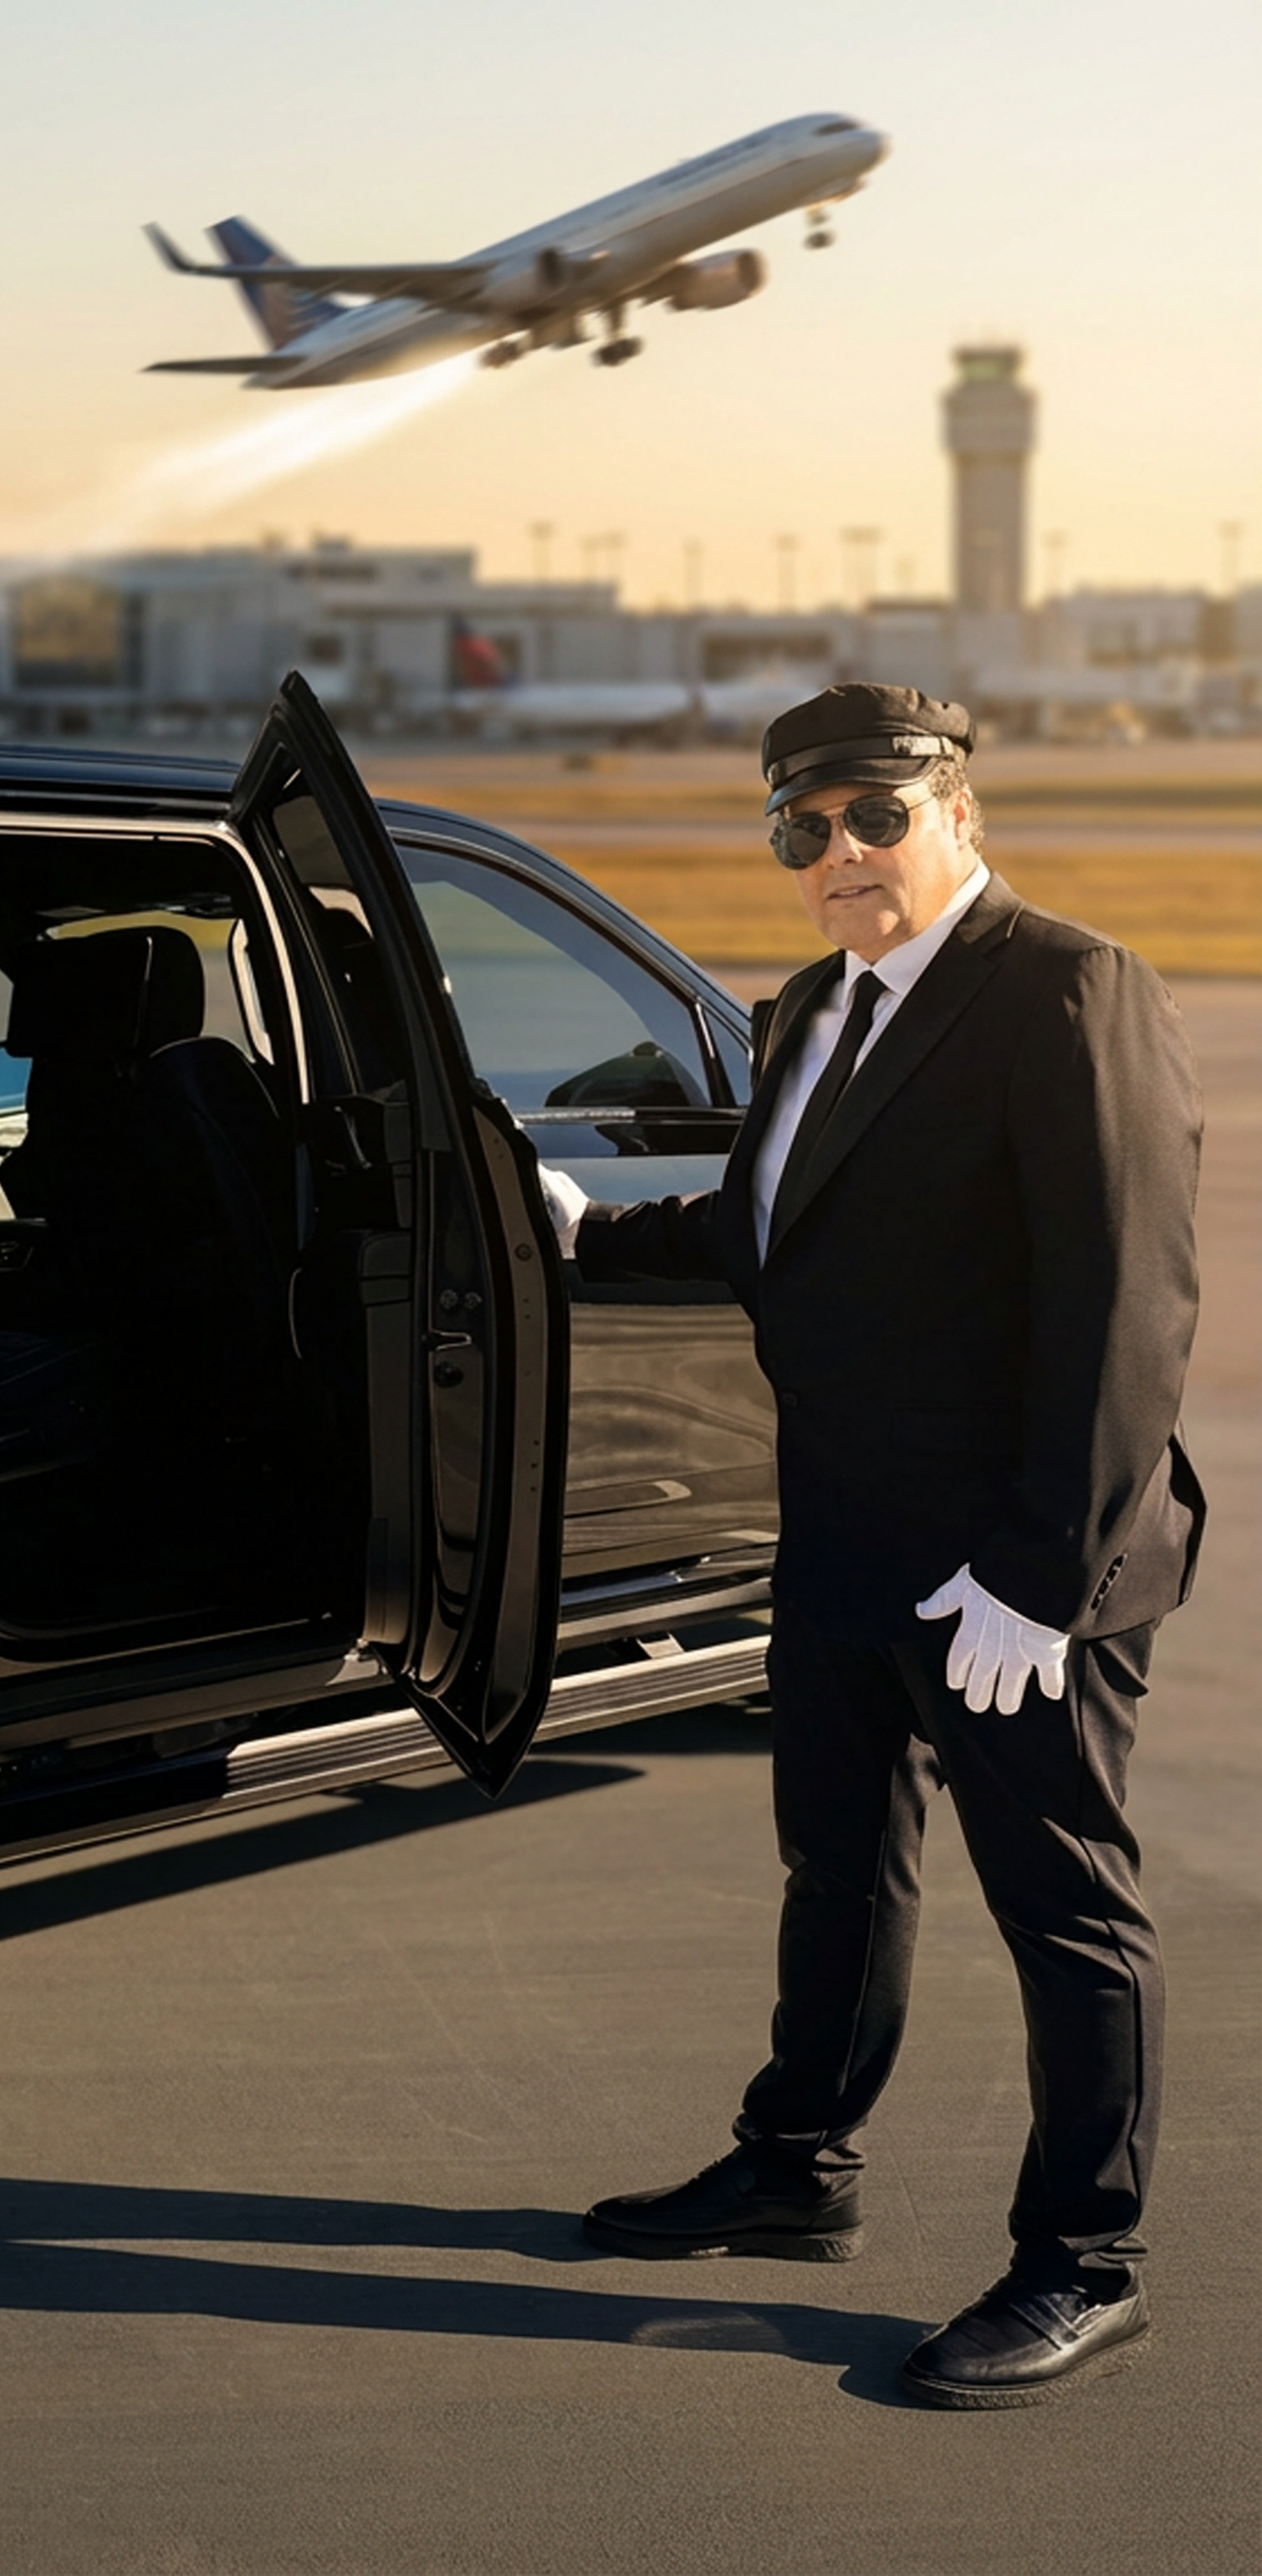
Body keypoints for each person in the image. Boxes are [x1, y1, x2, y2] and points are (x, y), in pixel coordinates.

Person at [539, 683, 1204, 2410]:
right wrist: (587, 1236)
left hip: (1008, 1569)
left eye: (871, 818)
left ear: (955, 812)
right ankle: (794, 2169)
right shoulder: (811, 1009)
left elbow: (1126, 1302)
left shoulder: (1065, 989)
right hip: (841, 1536)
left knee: (1065, 1911)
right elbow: (780, 1222)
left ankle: (1085, 2259)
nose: (836, 855)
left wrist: (1042, 1571)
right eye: (799, 827)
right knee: (838, 1874)